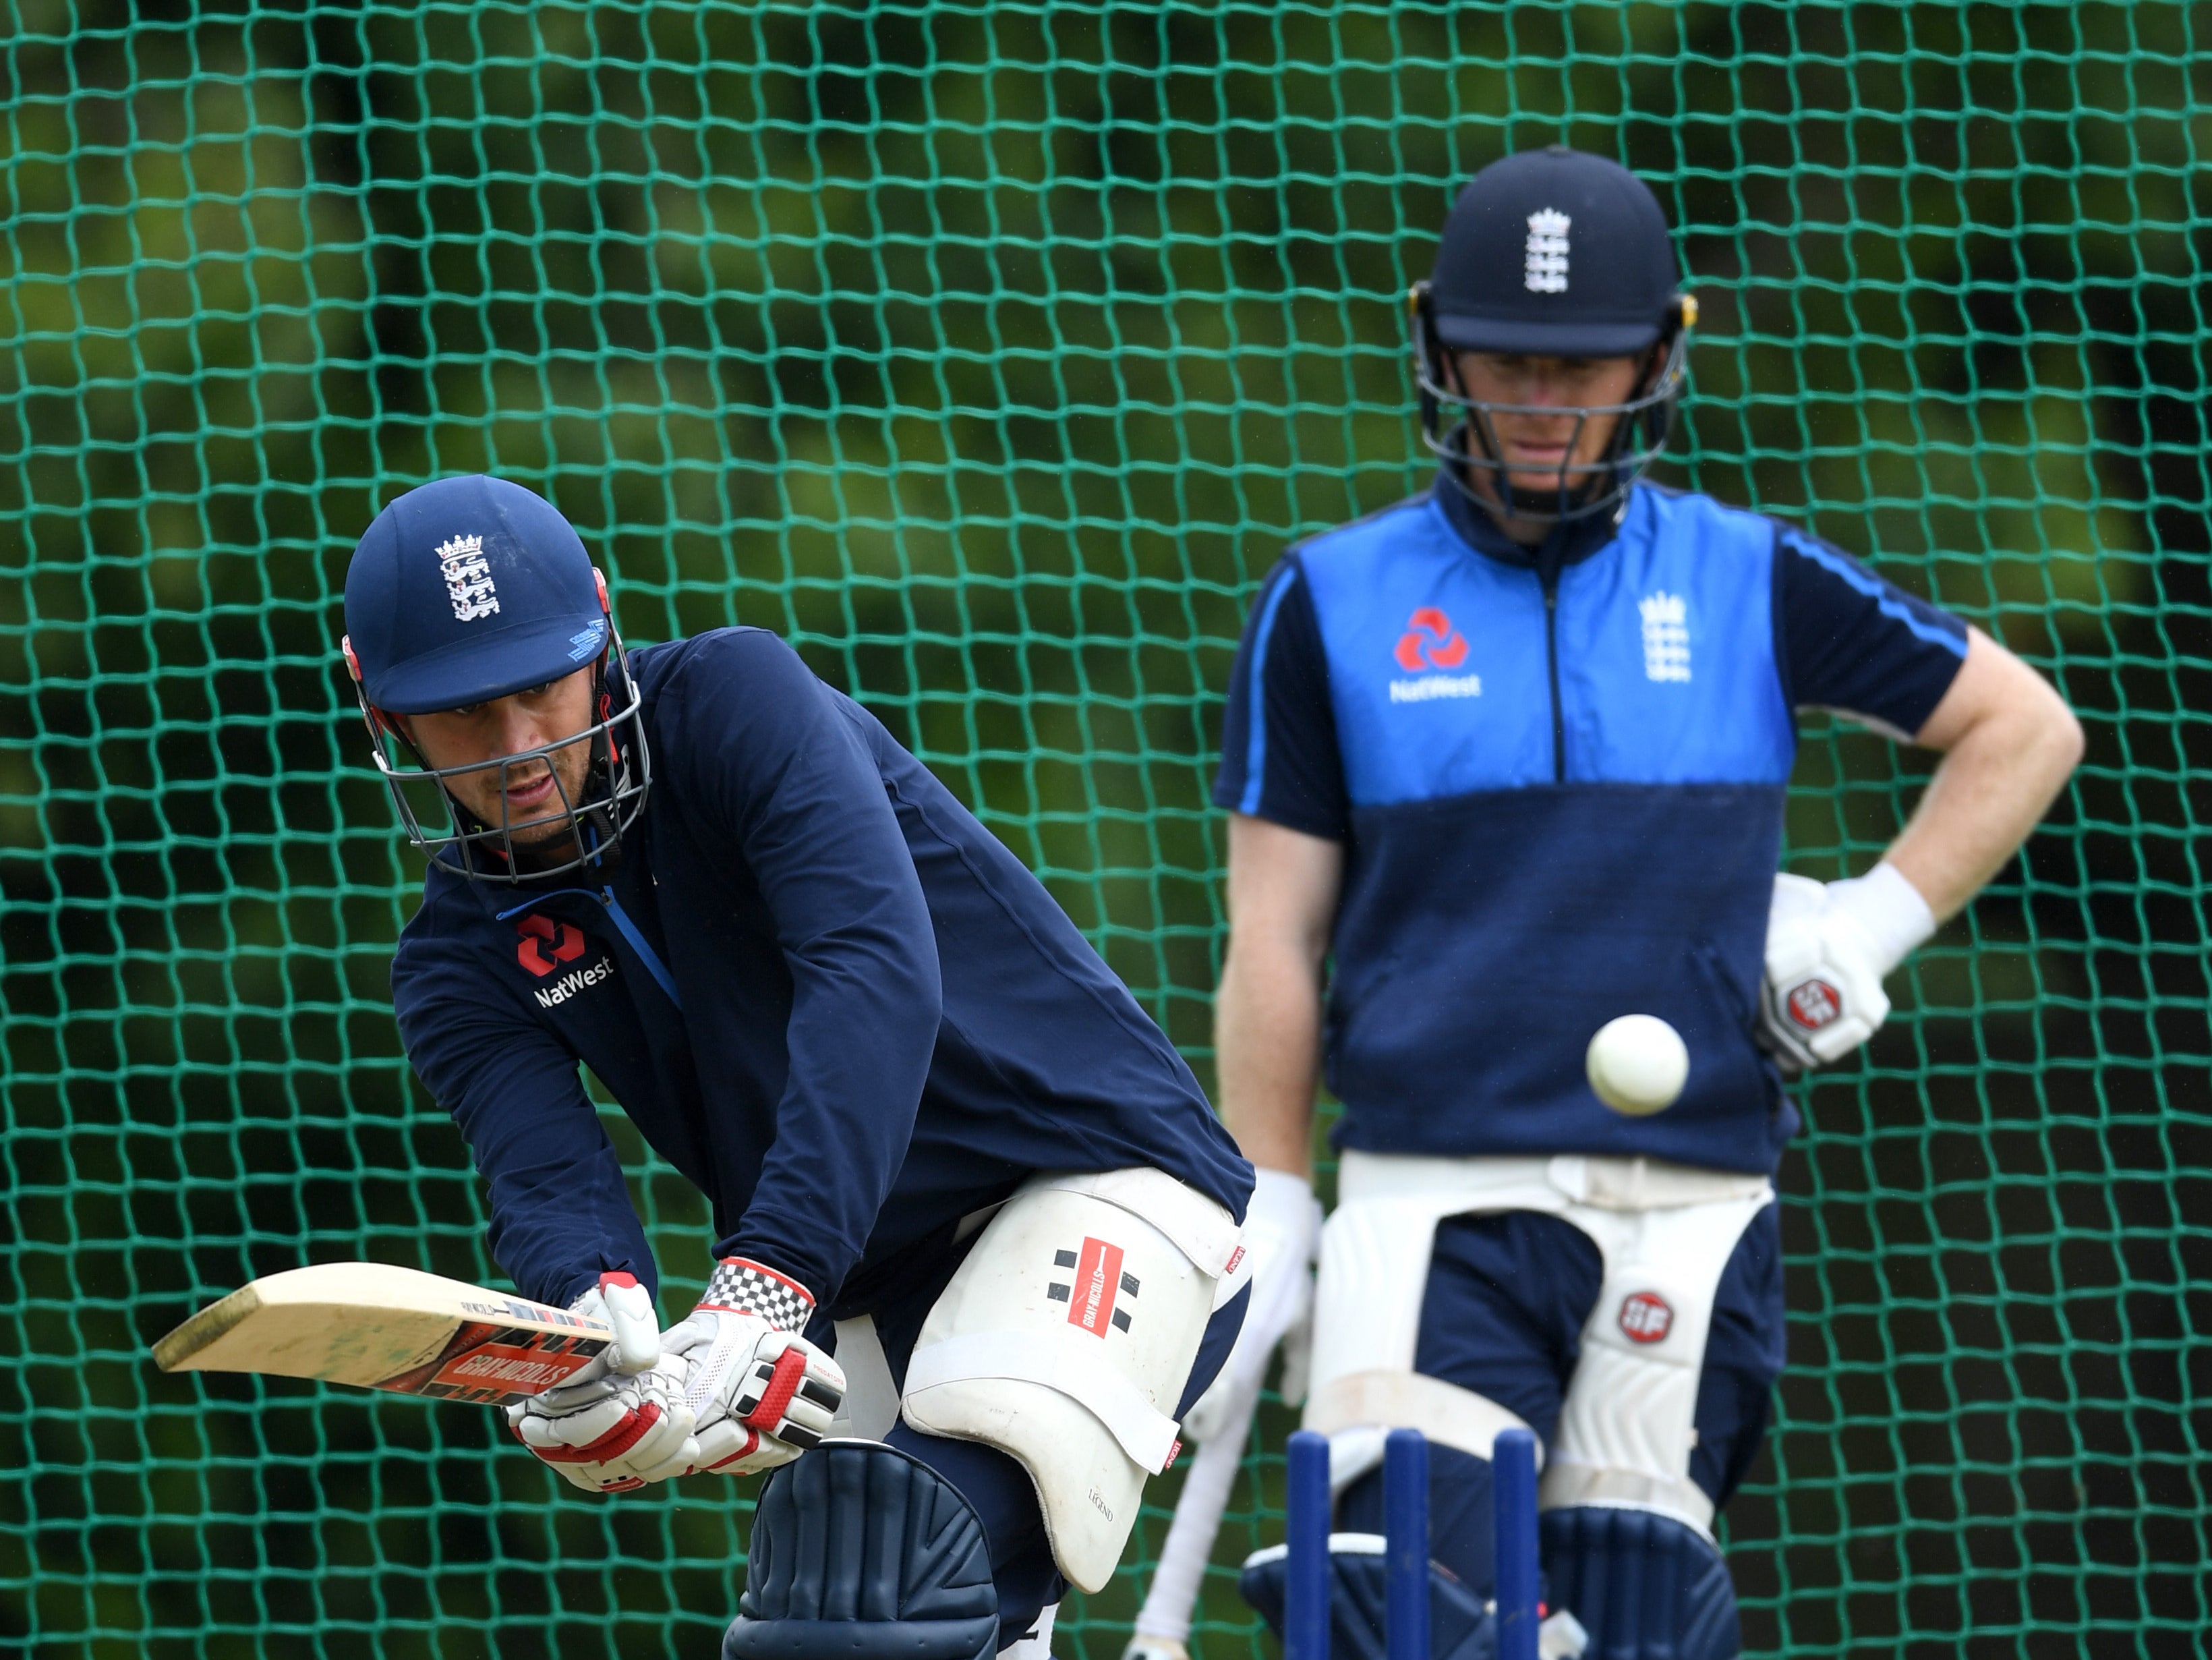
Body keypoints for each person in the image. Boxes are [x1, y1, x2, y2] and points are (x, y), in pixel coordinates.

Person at [1157, 146, 2084, 1660]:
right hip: (1427, 1204)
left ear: (1660, 352)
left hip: (1695, 1213)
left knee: (1637, 1626)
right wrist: (1272, 1197)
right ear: (1434, 342)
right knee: (1405, 1616)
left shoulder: (1749, 577)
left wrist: (1866, 926)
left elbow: (2022, 725)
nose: (1539, 397)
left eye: (1580, 367)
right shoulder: (1324, 599)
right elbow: (1272, 933)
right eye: (1505, 359)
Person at [339, 474, 1255, 1660]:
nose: (522, 750)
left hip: (1103, 1190)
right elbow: (551, 1181)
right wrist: (590, 1342)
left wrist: (764, 1282)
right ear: (380, 706)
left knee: (869, 1605)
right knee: (820, 1633)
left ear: (604, 628)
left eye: (538, 687)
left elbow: (873, 974)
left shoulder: (735, 700)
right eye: (465, 714)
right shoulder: (455, 960)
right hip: (874, 1301)